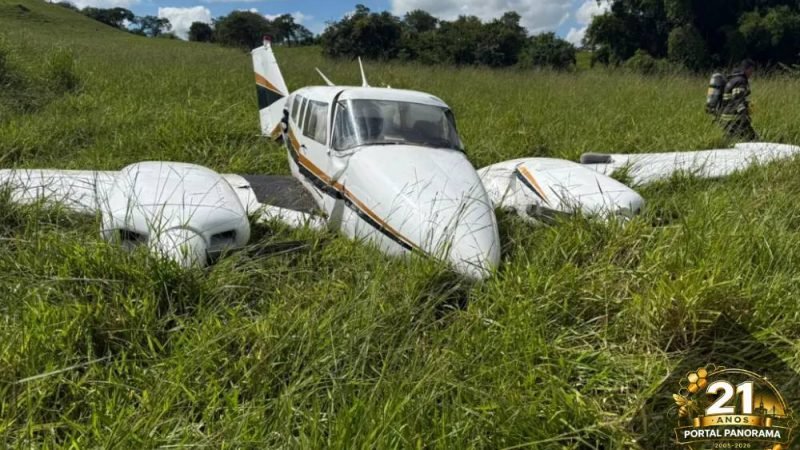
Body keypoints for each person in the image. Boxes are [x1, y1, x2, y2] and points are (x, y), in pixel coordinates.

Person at [719, 59, 758, 142]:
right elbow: (737, 99)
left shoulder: (733, 79)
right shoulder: (740, 81)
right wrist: (744, 115)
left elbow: (731, 98)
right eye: (751, 71)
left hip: (726, 117)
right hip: (734, 118)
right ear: (747, 69)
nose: (751, 74)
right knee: (752, 139)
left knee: (730, 140)